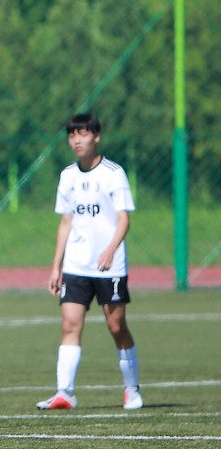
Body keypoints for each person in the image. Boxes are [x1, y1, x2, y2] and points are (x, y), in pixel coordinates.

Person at [38, 113, 142, 411]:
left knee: (116, 325)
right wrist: (56, 265)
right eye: (72, 136)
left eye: (83, 134)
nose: (77, 140)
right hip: (76, 265)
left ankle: (131, 388)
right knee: (70, 323)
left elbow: (124, 219)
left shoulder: (113, 173)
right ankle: (65, 392)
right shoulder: (68, 176)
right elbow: (65, 223)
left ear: (96, 136)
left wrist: (110, 249)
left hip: (110, 266)